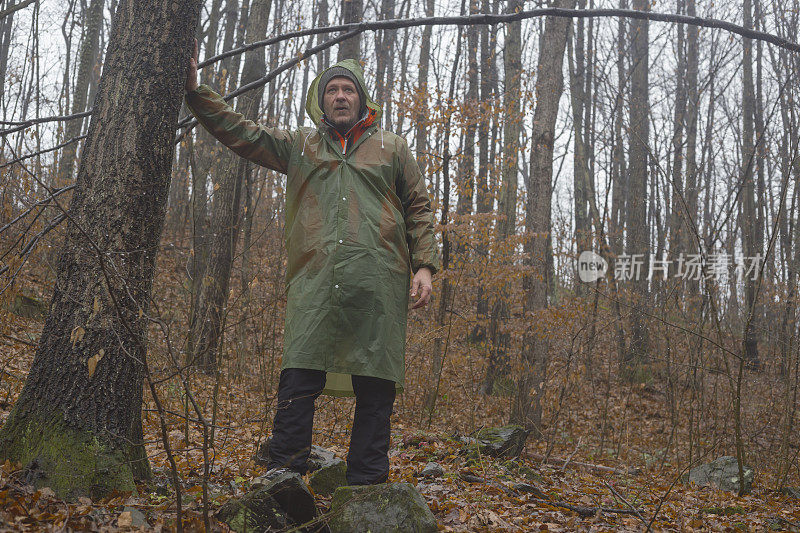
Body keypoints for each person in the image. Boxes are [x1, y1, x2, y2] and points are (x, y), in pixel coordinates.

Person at [184, 44, 440, 485]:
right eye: (332, 90)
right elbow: (243, 132)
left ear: (362, 99)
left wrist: (425, 267)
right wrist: (195, 93)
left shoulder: (392, 147)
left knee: (375, 388)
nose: (340, 96)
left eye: (348, 90)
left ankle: (366, 490)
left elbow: (418, 207)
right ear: (320, 100)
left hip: (378, 285)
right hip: (315, 281)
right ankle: (283, 483)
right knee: (299, 378)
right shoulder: (301, 145)